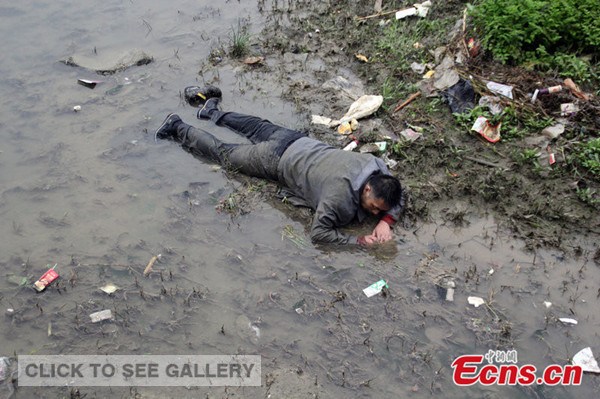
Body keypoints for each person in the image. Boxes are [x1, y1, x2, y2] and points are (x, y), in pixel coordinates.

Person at [155, 86, 404, 246]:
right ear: (368, 189)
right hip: (275, 160)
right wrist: (357, 241)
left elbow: (400, 196)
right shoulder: (339, 199)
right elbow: (319, 233)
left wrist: (386, 221)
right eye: (373, 208)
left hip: (298, 140)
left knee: (254, 126)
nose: (374, 214)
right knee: (225, 154)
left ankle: (211, 112)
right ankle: (177, 126)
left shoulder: (376, 165)